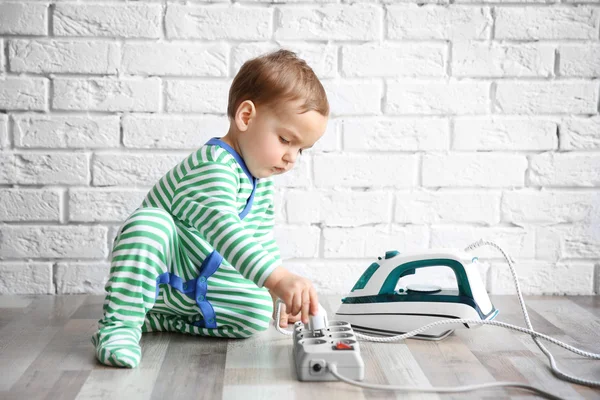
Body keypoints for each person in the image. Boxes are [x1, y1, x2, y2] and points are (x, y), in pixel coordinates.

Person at [92, 49, 330, 368]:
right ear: (246, 117)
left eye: (302, 149)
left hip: (199, 282)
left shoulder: (260, 178)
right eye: (286, 140)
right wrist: (278, 278)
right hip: (169, 270)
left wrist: (275, 294)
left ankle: (161, 318)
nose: (292, 158)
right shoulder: (212, 166)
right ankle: (119, 326)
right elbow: (225, 230)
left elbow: (259, 239)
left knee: (255, 313)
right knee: (149, 225)